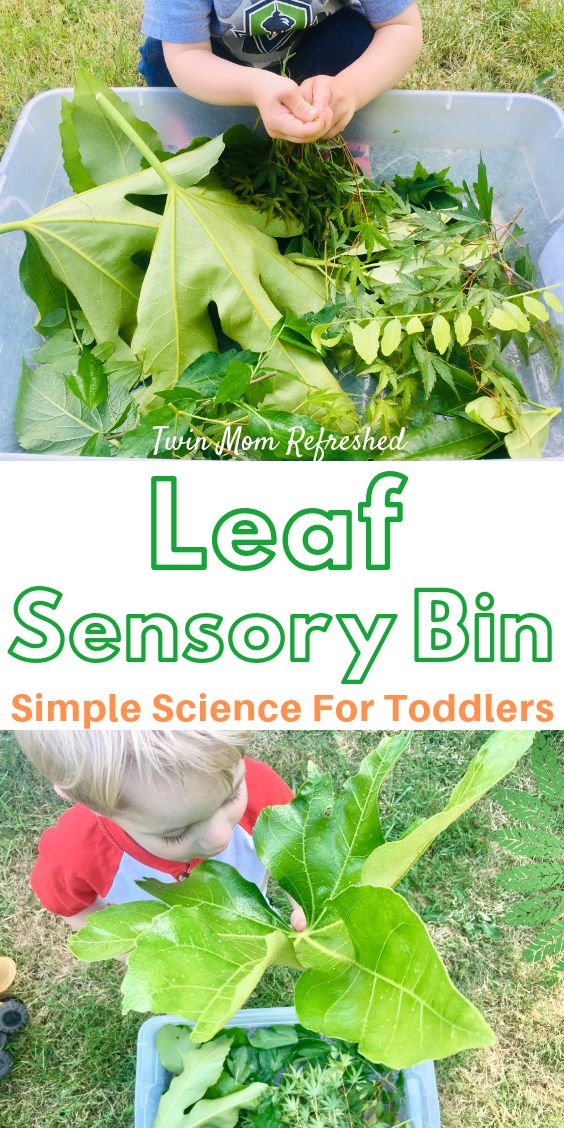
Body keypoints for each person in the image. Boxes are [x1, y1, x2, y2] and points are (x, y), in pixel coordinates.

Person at [18, 730, 306, 933]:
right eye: (176, 833)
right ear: (92, 804)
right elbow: (71, 906)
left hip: (245, 904)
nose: (220, 836)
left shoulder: (262, 790)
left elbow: (296, 850)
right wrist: (127, 946)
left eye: (230, 798)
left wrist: (304, 901)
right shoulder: (74, 854)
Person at [139, 1, 423, 142]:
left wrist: (349, 89)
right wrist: (254, 87)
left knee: (354, 36)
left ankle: (339, 138)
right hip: (219, 68)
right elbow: (187, 55)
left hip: (316, 63)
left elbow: (400, 28)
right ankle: (194, 137)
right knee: (159, 58)